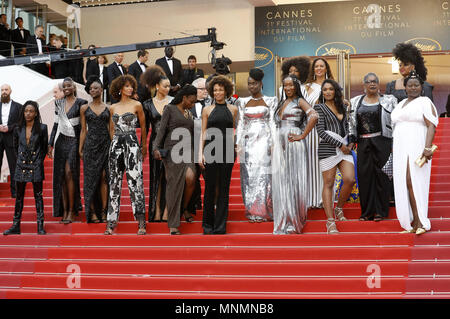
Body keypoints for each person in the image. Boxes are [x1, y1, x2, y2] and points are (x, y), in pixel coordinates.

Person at [392, 71, 438, 235]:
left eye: (416, 85)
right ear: (404, 88)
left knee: (414, 181)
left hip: (417, 144)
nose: (413, 88)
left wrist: (427, 147)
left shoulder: (425, 102)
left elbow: (431, 125)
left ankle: (421, 222)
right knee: (404, 183)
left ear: (421, 87)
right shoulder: (401, 103)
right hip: (400, 147)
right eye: (410, 85)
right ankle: (412, 223)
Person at [271, 75, 318, 234]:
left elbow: (314, 116)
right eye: (285, 86)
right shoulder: (282, 102)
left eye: (291, 85)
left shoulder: (299, 101)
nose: (288, 88)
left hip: (294, 142)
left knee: (293, 180)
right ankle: (284, 217)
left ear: (296, 86)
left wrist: (302, 135)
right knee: (282, 181)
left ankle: (293, 220)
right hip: (280, 143)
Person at [349, 73, 397, 221]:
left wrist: (395, 141)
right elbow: (350, 122)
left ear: (378, 84)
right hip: (363, 143)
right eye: (369, 82)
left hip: (383, 141)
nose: (372, 84)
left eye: (375, 81)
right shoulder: (355, 101)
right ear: (364, 85)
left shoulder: (389, 100)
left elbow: (395, 121)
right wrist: (351, 139)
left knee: (382, 177)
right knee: (365, 177)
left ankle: (380, 212)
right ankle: (367, 212)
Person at [104, 75, 147, 235]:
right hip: (116, 145)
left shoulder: (137, 105)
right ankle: (111, 222)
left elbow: (143, 127)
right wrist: (113, 143)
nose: (130, 89)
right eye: (127, 86)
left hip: (132, 143)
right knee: (114, 182)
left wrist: (143, 146)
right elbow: (111, 128)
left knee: (135, 181)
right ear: (120, 88)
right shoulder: (112, 107)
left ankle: (141, 221)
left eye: (131, 86)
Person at [153, 85, 198, 235]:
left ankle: (183, 208)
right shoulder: (170, 109)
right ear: (184, 98)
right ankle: (173, 224)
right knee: (174, 186)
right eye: (191, 101)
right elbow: (161, 130)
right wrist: (156, 148)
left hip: (188, 150)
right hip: (173, 151)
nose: (192, 105)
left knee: (191, 178)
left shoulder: (188, 113)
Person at [314, 79, 355, 234]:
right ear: (322, 92)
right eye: (325, 90)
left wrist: (350, 143)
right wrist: (340, 145)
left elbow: (349, 126)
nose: (328, 92)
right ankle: (330, 221)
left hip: (345, 148)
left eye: (331, 89)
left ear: (336, 91)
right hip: (328, 149)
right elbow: (321, 132)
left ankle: (339, 208)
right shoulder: (319, 107)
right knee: (329, 183)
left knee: (349, 179)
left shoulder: (343, 106)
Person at [236, 68, 277, 222]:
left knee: (265, 176)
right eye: (249, 84)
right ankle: (252, 210)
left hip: (264, 140)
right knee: (249, 176)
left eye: (254, 84)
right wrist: (238, 143)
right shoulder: (242, 101)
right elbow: (240, 123)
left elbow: (272, 123)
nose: (251, 87)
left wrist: (273, 143)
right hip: (248, 142)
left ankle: (266, 210)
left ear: (260, 84)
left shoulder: (271, 100)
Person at [199, 75, 239, 235]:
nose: (217, 92)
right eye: (215, 90)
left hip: (228, 151)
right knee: (209, 188)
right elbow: (203, 132)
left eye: (220, 89)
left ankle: (220, 226)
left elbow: (235, 130)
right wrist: (200, 153)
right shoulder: (206, 110)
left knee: (224, 189)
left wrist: (237, 146)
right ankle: (207, 226)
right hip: (210, 150)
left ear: (226, 91)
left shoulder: (233, 110)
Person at [3, 101, 48, 235]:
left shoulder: (43, 128)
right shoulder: (17, 128)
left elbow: (44, 148)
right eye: (26, 111)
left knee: (38, 196)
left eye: (31, 111)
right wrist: (20, 161)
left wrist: (38, 160)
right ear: (23, 112)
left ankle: (40, 226)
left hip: (36, 165)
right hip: (21, 165)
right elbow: (15, 147)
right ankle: (16, 225)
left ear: (35, 113)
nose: (28, 113)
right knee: (19, 197)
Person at [48, 77, 87, 223]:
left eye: (68, 86)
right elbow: (55, 125)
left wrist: (81, 146)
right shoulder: (59, 103)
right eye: (64, 86)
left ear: (74, 87)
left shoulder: (81, 103)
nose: (66, 88)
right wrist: (50, 143)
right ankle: (64, 210)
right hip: (61, 142)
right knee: (62, 177)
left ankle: (72, 210)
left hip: (74, 141)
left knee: (70, 173)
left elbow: (84, 128)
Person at [141, 65, 173, 222]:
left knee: (169, 178)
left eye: (169, 86)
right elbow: (145, 128)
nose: (168, 88)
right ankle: (157, 210)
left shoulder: (173, 102)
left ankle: (168, 210)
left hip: (172, 144)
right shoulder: (147, 104)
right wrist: (143, 148)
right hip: (155, 144)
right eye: (165, 86)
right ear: (157, 86)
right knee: (156, 178)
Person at [303, 58, 335, 209]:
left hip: (327, 131)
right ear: (313, 69)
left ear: (326, 68)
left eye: (322, 66)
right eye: (316, 66)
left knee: (326, 165)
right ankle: (311, 199)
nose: (319, 68)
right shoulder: (306, 87)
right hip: (310, 132)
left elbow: (338, 105)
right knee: (311, 164)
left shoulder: (332, 86)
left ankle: (325, 200)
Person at [79, 76, 110, 223]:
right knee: (90, 180)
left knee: (104, 178)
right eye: (91, 89)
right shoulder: (84, 108)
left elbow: (111, 129)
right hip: (90, 146)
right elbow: (83, 130)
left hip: (105, 145)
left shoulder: (109, 108)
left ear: (102, 90)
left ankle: (104, 211)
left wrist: (113, 146)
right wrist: (80, 148)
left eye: (96, 88)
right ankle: (92, 213)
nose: (93, 90)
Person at [188, 77, 208, 214]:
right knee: (192, 177)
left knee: (209, 177)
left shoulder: (212, 103)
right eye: (202, 89)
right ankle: (194, 204)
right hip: (191, 145)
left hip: (210, 146)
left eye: (207, 88)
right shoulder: (188, 104)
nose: (205, 91)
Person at [0, 84, 22, 198]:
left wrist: (10, 127)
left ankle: (15, 192)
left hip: (11, 138)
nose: (4, 92)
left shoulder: (18, 106)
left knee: (13, 165)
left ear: (10, 91)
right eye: (2, 90)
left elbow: (20, 122)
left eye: (6, 90)